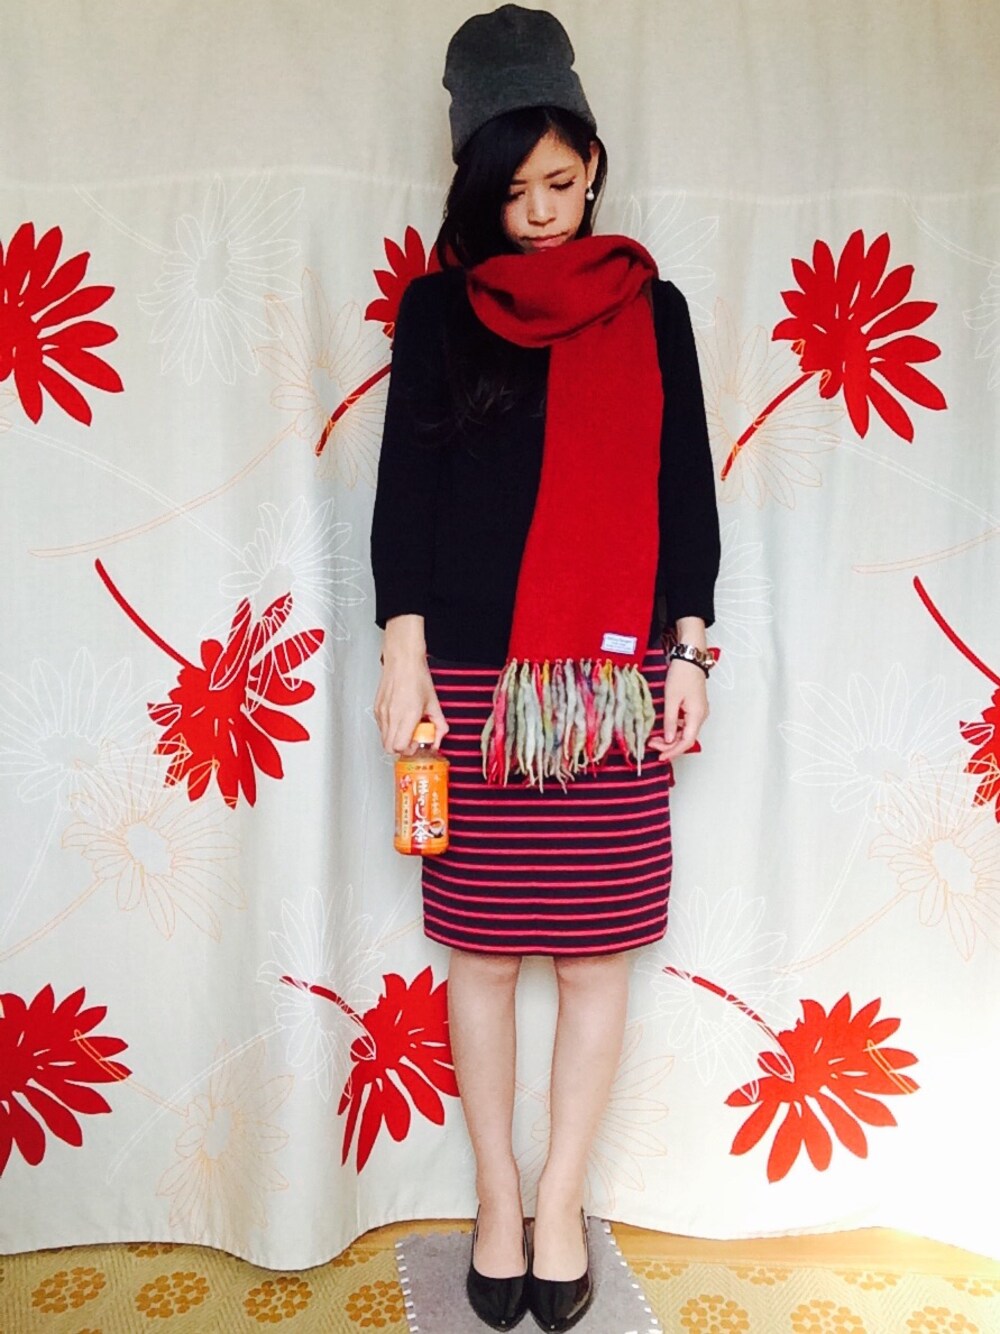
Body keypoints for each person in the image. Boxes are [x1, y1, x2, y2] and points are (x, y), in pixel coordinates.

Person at [370, 6, 720, 1329]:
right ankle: (498, 1197)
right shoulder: (438, 310)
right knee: (479, 956)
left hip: (606, 688)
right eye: (512, 191)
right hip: (470, 683)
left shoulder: (654, 310)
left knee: (591, 959)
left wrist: (691, 648)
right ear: (472, 181)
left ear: (593, 165)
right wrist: (403, 655)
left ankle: (562, 1201)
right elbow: (404, 495)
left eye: (561, 184)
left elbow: (684, 493)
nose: (539, 214)